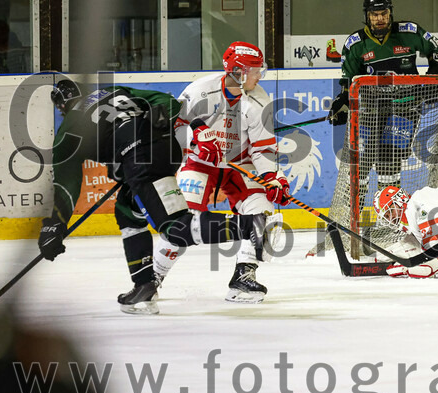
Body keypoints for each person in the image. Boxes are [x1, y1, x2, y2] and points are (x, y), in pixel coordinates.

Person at [41, 78, 275, 314]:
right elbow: (167, 102)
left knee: (175, 227)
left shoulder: (69, 129)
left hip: (141, 157)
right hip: (165, 148)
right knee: (126, 210)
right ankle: (144, 286)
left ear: (61, 105)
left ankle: (248, 224)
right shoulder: (112, 91)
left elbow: (66, 186)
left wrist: (55, 225)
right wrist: (154, 127)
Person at [155, 41, 288, 303]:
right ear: (237, 71)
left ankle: (243, 278)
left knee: (259, 215)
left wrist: (274, 177)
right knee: (181, 224)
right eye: (255, 70)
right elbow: (176, 127)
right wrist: (195, 141)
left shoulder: (260, 98)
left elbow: (262, 148)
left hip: (239, 165)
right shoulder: (200, 90)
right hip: (199, 164)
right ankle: (152, 277)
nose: (259, 75)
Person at [327, 0, 438, 201]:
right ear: (367, 15)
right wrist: (343, 102)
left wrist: (436, 70)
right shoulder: (356, 43)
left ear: (391, 13)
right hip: (371, 108)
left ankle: (389, 215)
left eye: (384, 13)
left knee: (388, 158)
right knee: (362, 159)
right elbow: (349, 80)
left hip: (406, 106)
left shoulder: (409, 32)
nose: (380, 18)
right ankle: (353, 210)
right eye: (375, 14)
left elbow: (435, 46)